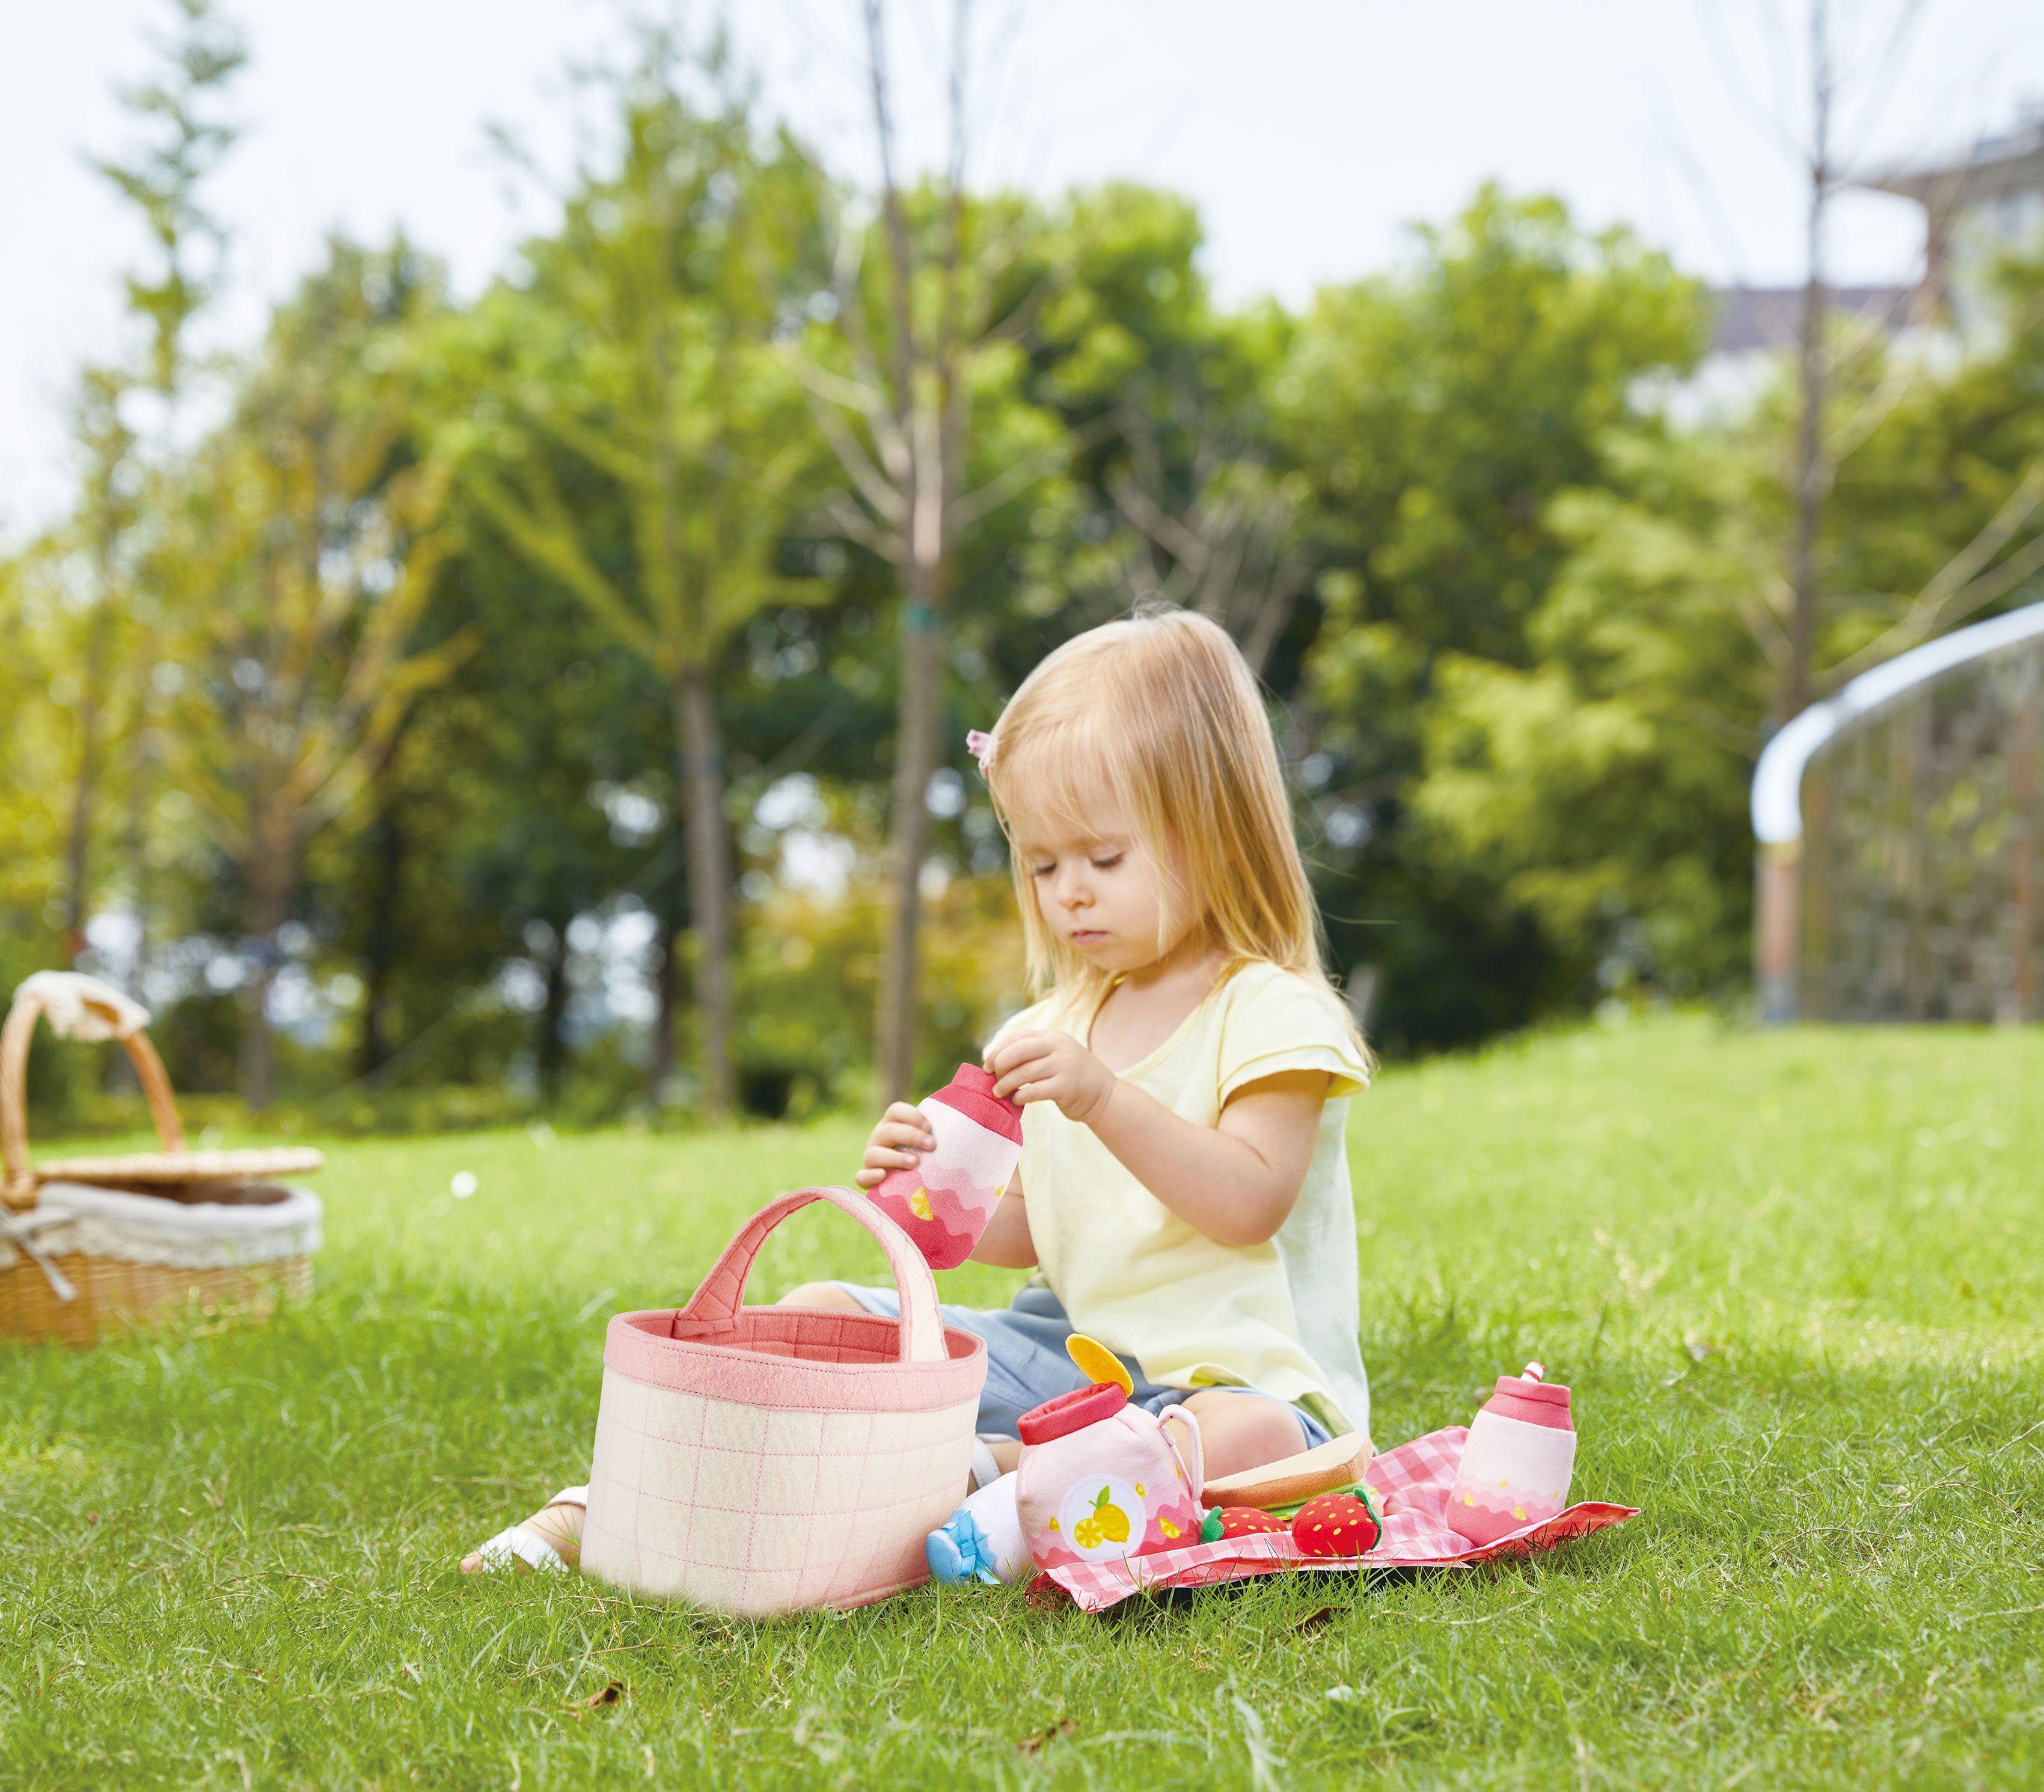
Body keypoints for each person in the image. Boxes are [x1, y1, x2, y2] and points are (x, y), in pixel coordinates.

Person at [462, 608, 1372, 1576]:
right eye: (1041, 861)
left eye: (1104, 858)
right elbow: (1024, 1231)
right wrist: (928, 1190)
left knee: (1260, 1442)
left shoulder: (1272, 1012)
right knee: (819, 1307)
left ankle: (966, 1477)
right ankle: (620, 1502)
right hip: (1070, 1350)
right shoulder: (1046, 1027)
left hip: (1230, 1377)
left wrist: (1105, 1099)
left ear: (1218, 833)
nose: (1068, 891)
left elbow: (1247, 1200)